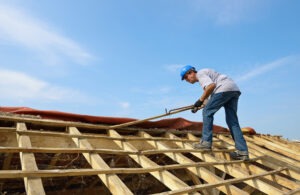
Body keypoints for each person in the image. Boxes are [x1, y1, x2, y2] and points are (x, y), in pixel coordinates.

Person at [180, 65, 249, 160]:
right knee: (232, 121)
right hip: (233, 89)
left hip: (222, 89)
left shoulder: (200, 74)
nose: (187, 80)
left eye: (186, 78)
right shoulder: (205, 78)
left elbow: (211, 86)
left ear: (191, 72)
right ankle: (242, 152)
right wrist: (198, 106)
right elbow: (207, 98)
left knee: (207, 113)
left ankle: (206, 143)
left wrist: (200, 100)